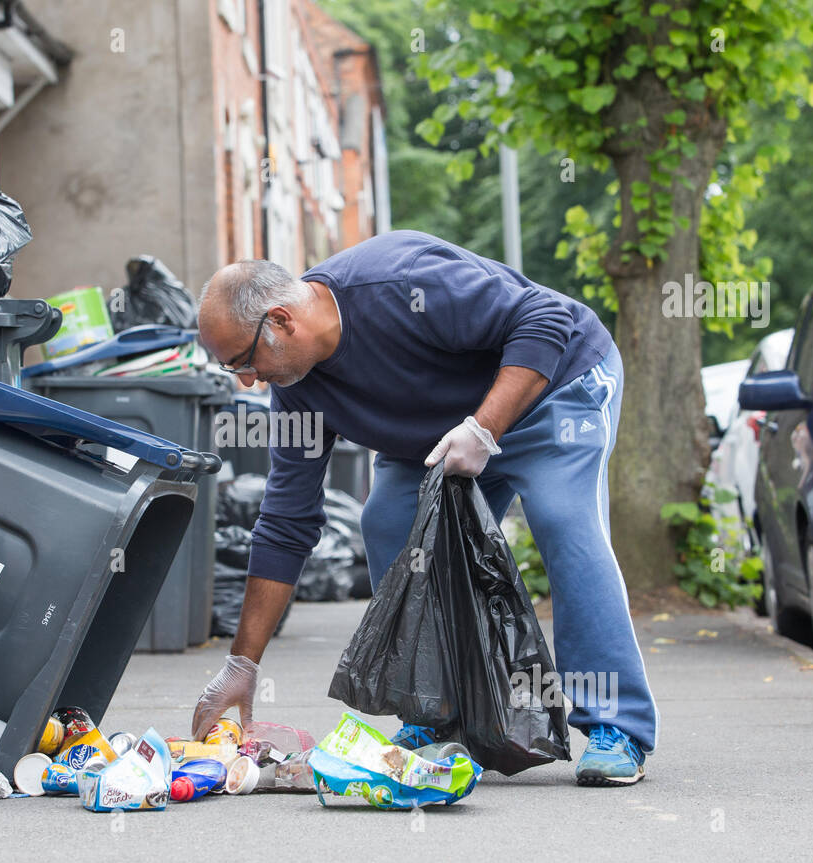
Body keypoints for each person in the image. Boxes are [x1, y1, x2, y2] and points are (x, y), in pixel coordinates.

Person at [190, 230, 658, 786]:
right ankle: (438, 717)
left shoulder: (401, 281)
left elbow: (547, 318)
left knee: (563, 521)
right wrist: (243, 663)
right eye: (230, 370)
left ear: (282, 321)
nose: (246, 380)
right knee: (389, 520)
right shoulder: (296, 389)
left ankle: (616, 724)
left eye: (243, 359)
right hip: (442, 436)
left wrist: (485, 428)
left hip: (552, 390)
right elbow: (287, 519)